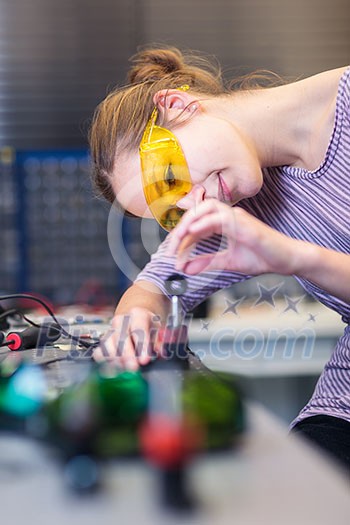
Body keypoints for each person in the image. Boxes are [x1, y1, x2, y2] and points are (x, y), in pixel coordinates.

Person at [89, 46, 350, 471]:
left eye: (170, 179)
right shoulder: (232, 200)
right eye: (170, 211)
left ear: (178, 105)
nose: (192, 205)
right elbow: (150, 289)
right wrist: (134, 324)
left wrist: (295, 257)